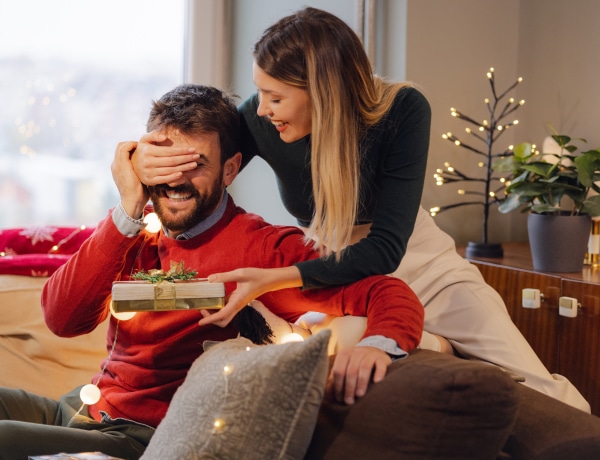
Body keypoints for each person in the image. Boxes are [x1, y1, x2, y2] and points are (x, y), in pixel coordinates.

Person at [131, 7, 590, 412]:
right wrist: (133, 159)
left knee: (532, 382)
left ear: (321, 90)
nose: (262, 109)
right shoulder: (259, 118)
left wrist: (277, 277)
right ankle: (433, 346)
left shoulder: (403, 110)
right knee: (325, 360)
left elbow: (386, 250)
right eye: (260, 93)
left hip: (417, 259)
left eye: (276, 96)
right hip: (336, 274)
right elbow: (201, 161)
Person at [0, 84, 424, 459]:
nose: (176, 179)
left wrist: (378, 347)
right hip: (78, 407)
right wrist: (127, 207)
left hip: (134, 438)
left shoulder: (259, 247)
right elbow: (62, 318)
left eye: (195, 163)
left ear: (230, 169)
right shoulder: (135, 226)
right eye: (163, 161)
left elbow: (383, 291)